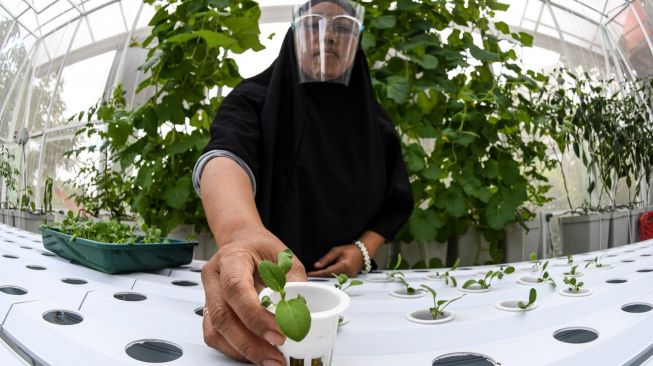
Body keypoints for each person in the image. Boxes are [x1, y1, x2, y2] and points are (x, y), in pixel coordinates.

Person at [193, 0, 413, 364]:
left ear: (356, 41)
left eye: (342, 27)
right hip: (268, 290)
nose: (327, 36)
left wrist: (362, 250)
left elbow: (397, 200)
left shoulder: (376, 126)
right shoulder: (252, 101)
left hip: (353, 294)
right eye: (313, 24)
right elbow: (225, 158)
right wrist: (239, 234)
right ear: (293, 35)